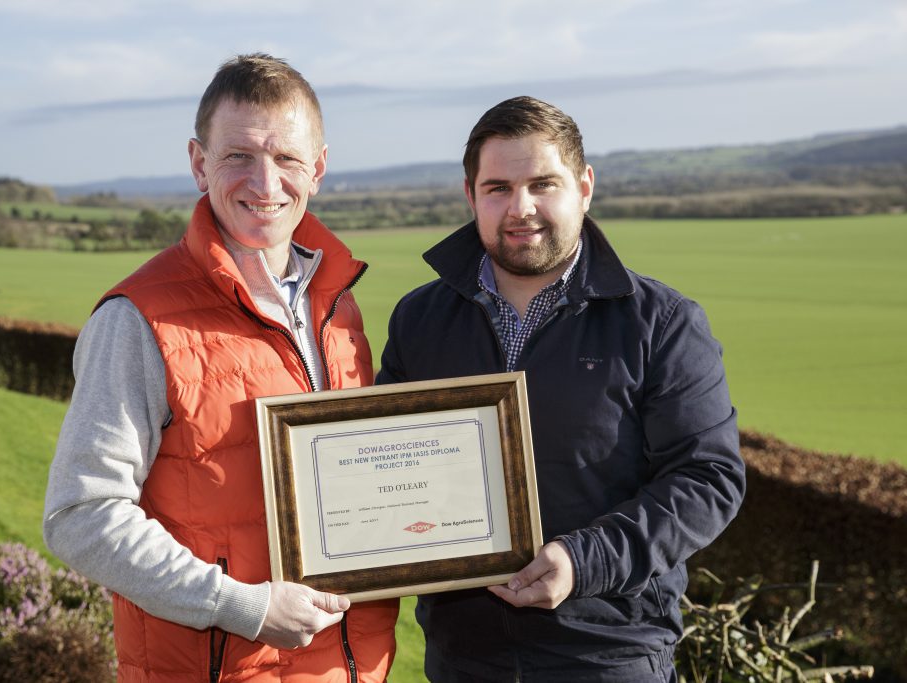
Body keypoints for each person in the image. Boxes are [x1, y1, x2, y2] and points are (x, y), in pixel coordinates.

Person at [44, 54, 397, 683]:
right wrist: (246, 607)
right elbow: (81, 514)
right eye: (238, 155)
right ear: (198, 162)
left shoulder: (339, 307)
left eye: (287, 158)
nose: (265, 182)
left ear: (317, 168)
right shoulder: (139, 318)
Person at [376, 96, 745, 682]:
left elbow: (709, 479)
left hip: (609, 653)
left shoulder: (661, 323)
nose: (520, 208)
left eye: (542, 184)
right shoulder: (419, 320)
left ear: (584, 186)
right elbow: (384, 464)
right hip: (462, 656)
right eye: (497, 188)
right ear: (470, 195)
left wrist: (583, 561)